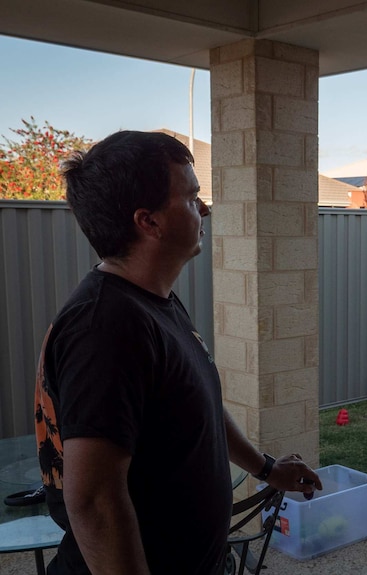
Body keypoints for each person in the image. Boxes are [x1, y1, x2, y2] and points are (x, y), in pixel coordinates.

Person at [33, 130, 322, 575]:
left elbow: (199, 406)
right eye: (191, 198)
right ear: (149, 222)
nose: (204, 208)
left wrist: (265, 468)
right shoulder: (106, 327)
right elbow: (93, 501)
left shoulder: (152, 302)